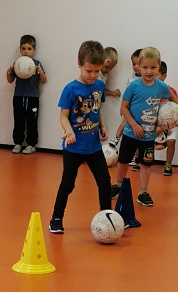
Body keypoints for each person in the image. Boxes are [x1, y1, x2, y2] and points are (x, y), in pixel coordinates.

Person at [49, 40, 111, 234]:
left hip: (93, 147)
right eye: (88, 70)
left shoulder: (99, 86)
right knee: (68, 184)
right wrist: (69, 131)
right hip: (73, 147)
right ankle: (56, 218)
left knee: (104, 182)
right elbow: (63, 116)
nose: (93, 75)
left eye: (97, 71)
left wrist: (102, 126)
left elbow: (98, 109)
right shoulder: (71, 89)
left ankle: (107, 217)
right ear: (79, 64)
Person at [111, 47, 178, 208]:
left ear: (159, 66)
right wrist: (134, 125)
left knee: (146, 164)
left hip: (149, 136)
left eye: (153, 67)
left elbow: (172, 97)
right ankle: (118, 185)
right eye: (145, 67)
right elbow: (124, 108)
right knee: (123, 161)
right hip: (131, 133)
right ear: (139, 67)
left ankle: (143, 192)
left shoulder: (161, 87)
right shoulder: (133, 86)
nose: (149, 71)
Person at [6, 34, 47, 154]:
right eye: (23, 48)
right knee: (18, 121)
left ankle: (31, 144)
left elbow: (44, 80)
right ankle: (18, 143)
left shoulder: (37, 64)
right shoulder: (17, 63)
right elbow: (10, 80)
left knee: (32, 122)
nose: (26, 51)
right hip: (18, 97)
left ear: (34, 50)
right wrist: (8, 73)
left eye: (29, 49)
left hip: (32, 98)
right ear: (20, 49)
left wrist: (40, 72)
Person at [155, 60, 178, 176]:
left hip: (170, 122)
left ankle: (168, 164)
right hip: (155, 122)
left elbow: (176, 109)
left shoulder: (171, 91)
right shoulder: (149, 91)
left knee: (171, 141)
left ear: (164, 76)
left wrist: (166, 126)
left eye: (156, 75)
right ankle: (140, 160)